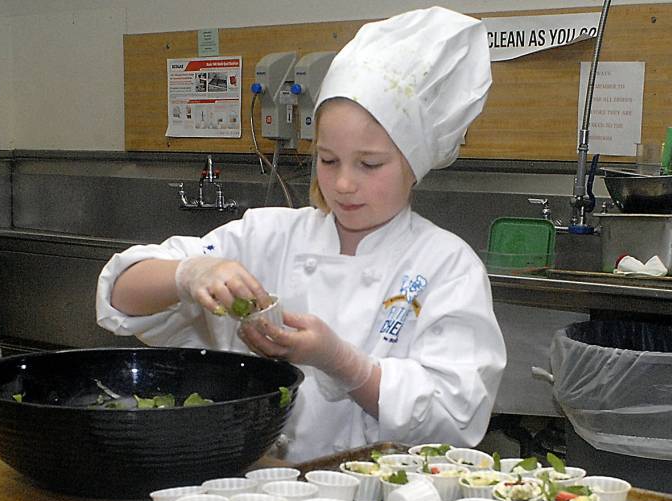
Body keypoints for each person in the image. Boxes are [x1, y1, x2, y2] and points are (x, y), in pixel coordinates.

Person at [96, 6, 507, 462]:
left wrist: (342, 363)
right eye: (328, 160)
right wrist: (190, 273)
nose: (344, 183)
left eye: (369, 164)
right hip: (253, 494)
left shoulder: (446, 266)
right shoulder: (270, 235)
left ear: (415, 165)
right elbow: (120, 295)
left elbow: (456, 418)